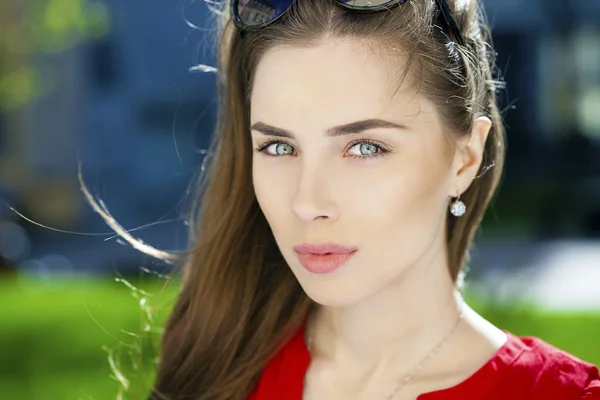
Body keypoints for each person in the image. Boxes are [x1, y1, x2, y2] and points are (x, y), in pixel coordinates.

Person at [146, 0, 600, 399]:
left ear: (464, 159)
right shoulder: (213, 360)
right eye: (279, 147)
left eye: (364, 147)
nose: (307, 203)